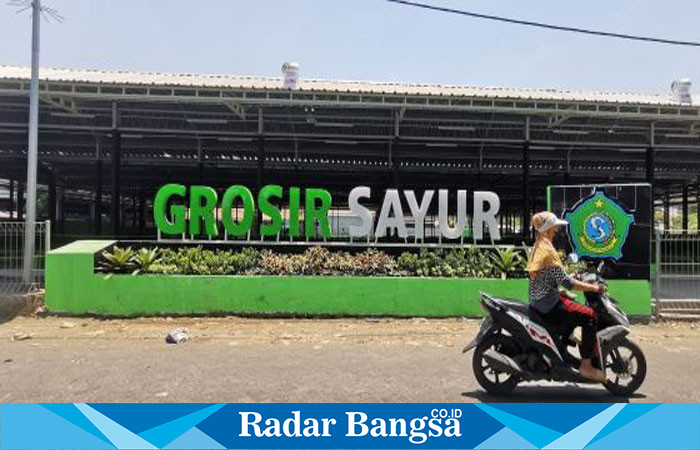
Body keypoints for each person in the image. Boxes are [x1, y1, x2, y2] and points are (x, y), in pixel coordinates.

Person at [526, 211, 607, 383]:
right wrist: (594, 287)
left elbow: (551, 276)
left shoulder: (541, 245)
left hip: (541, 300)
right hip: (548, 305)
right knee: (590, 315)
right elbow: (567, 282)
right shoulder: (547, 251)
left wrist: (572, 278)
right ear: (547, 230)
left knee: (573, 305)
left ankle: (564, 346)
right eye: (554, 229)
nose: (556, 232)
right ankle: (586, 365)